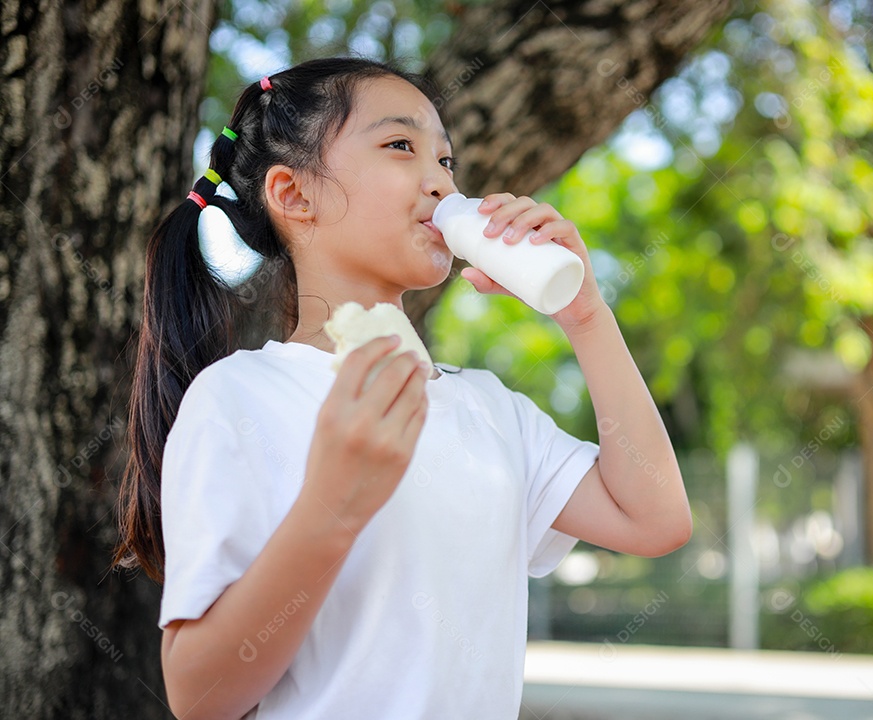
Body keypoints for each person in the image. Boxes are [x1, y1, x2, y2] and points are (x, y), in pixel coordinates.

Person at [112, 56, 692, 720]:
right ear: (294, 194)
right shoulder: (239, 399)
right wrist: (333, 506)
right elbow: (198, 697)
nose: (441, 183)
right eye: (400, 146)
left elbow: (656, 520)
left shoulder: (490, 410)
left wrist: (586, 316)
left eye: (446, 161)